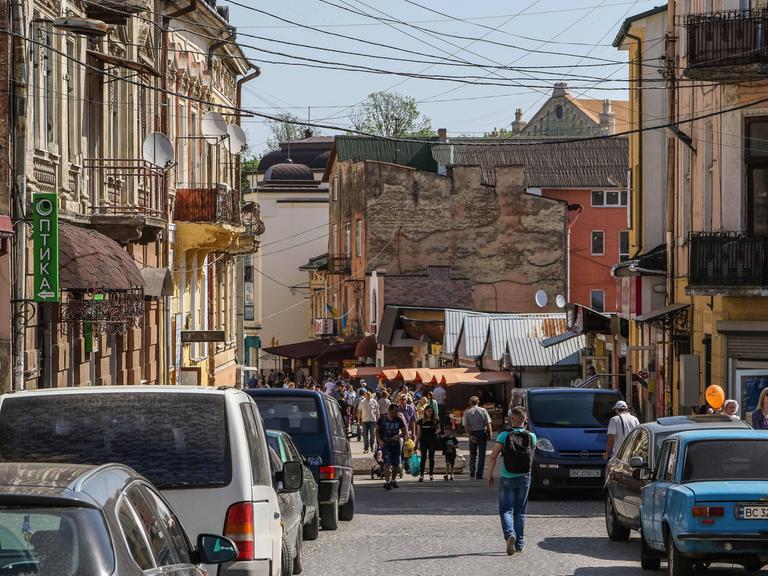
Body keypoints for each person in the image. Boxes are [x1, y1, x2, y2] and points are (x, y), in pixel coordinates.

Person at [487, 406, 537, 555]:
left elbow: (493, 456)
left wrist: (489, 475)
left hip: (507, 477)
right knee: (520, 512)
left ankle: (510, 535)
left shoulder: (503, 435)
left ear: (512, 419)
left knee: (506, 510)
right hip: (524, 477)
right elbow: (531, 456)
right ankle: (520, 544)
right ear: (525, 420)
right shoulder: (532, 436)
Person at [376, 403, 408, 490]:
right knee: (387, 463)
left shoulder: (399, 420)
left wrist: (399, 436)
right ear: (390, 411)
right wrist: (379, 441)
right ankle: (387, 482)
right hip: (385, 444)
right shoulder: (382, 419)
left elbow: (404, 431)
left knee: (396, 464)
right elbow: (377, 431)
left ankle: (393, 480)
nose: (397, 412)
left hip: (396, 444)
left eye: (397, 411)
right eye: (395, 411)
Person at [462, 396, 492, 480]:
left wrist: (469, 435)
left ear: (470, 402)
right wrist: (490, 434)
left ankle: (472, 470)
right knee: (482, 454)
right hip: (482, 433)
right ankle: (479, 474)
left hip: (473, 434)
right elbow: (488, 424)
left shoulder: (467, 412)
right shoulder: (483, 410)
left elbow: (465, 425)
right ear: (478, 402)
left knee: (473, 453)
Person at [416, 405, 440, 482]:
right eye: (429, 411)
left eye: (431, 411)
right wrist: (416, 443)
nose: (430, 412)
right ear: (425, 412)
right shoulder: (421, 421)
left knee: (431, 457)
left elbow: (439, 428)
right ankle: (421, 475)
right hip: (423, 441)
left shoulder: (435, 420)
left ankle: (431, 474)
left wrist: (436, 432)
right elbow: (419, 433)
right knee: (423, 458)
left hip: (432, 441)